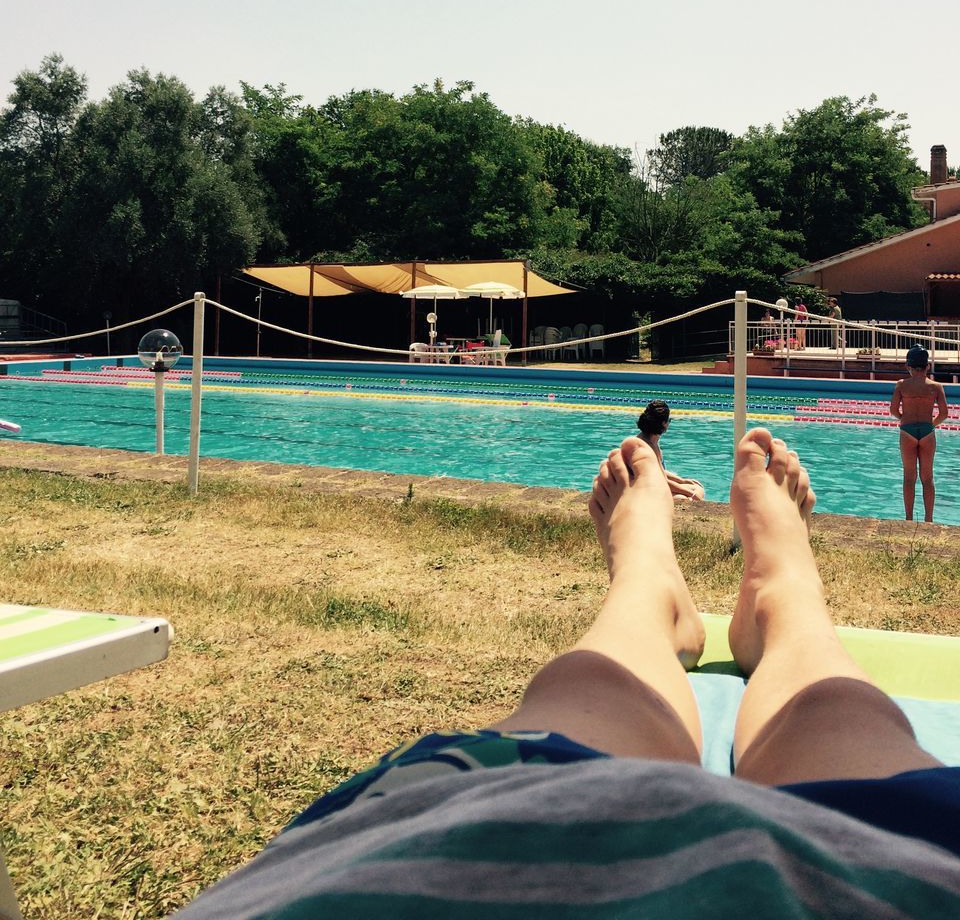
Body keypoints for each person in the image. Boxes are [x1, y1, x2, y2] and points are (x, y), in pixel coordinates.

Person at [176, 430, 960, 918]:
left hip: (453, 856)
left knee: (575, 715)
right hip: (924, 862)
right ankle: (784, 605)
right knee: (847, 735)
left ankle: (649, 592)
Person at [891, 344, 949, 522]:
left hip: (907, 431)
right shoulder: (936, 386)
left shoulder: (902, 385)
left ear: (908, 367)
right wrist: (931, 425)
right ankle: (929, 520)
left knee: (909, 477)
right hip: (927, 432)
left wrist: (903, 418)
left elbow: (893, 410)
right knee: (927, 477)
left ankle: (908, 519)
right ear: (927, 366)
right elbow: (944, 414)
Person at [637, 399, 705, 503]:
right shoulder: (644, 446)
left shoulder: (652, 440)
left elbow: (660, 471)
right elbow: (658, 480)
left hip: (655, 486)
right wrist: (689, 493)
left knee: (697, 488)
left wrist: (682, 481)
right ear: (664, 423)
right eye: (669, 420)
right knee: (686, 498)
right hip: (644, 492)